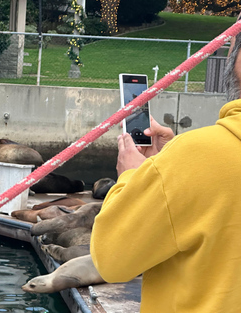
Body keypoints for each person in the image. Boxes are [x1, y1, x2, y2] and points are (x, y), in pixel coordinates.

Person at [90, 31, 241, 313]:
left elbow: (111, 260)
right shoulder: (193, 157)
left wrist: (133, 177)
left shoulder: (196, 156)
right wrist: (166, 167)